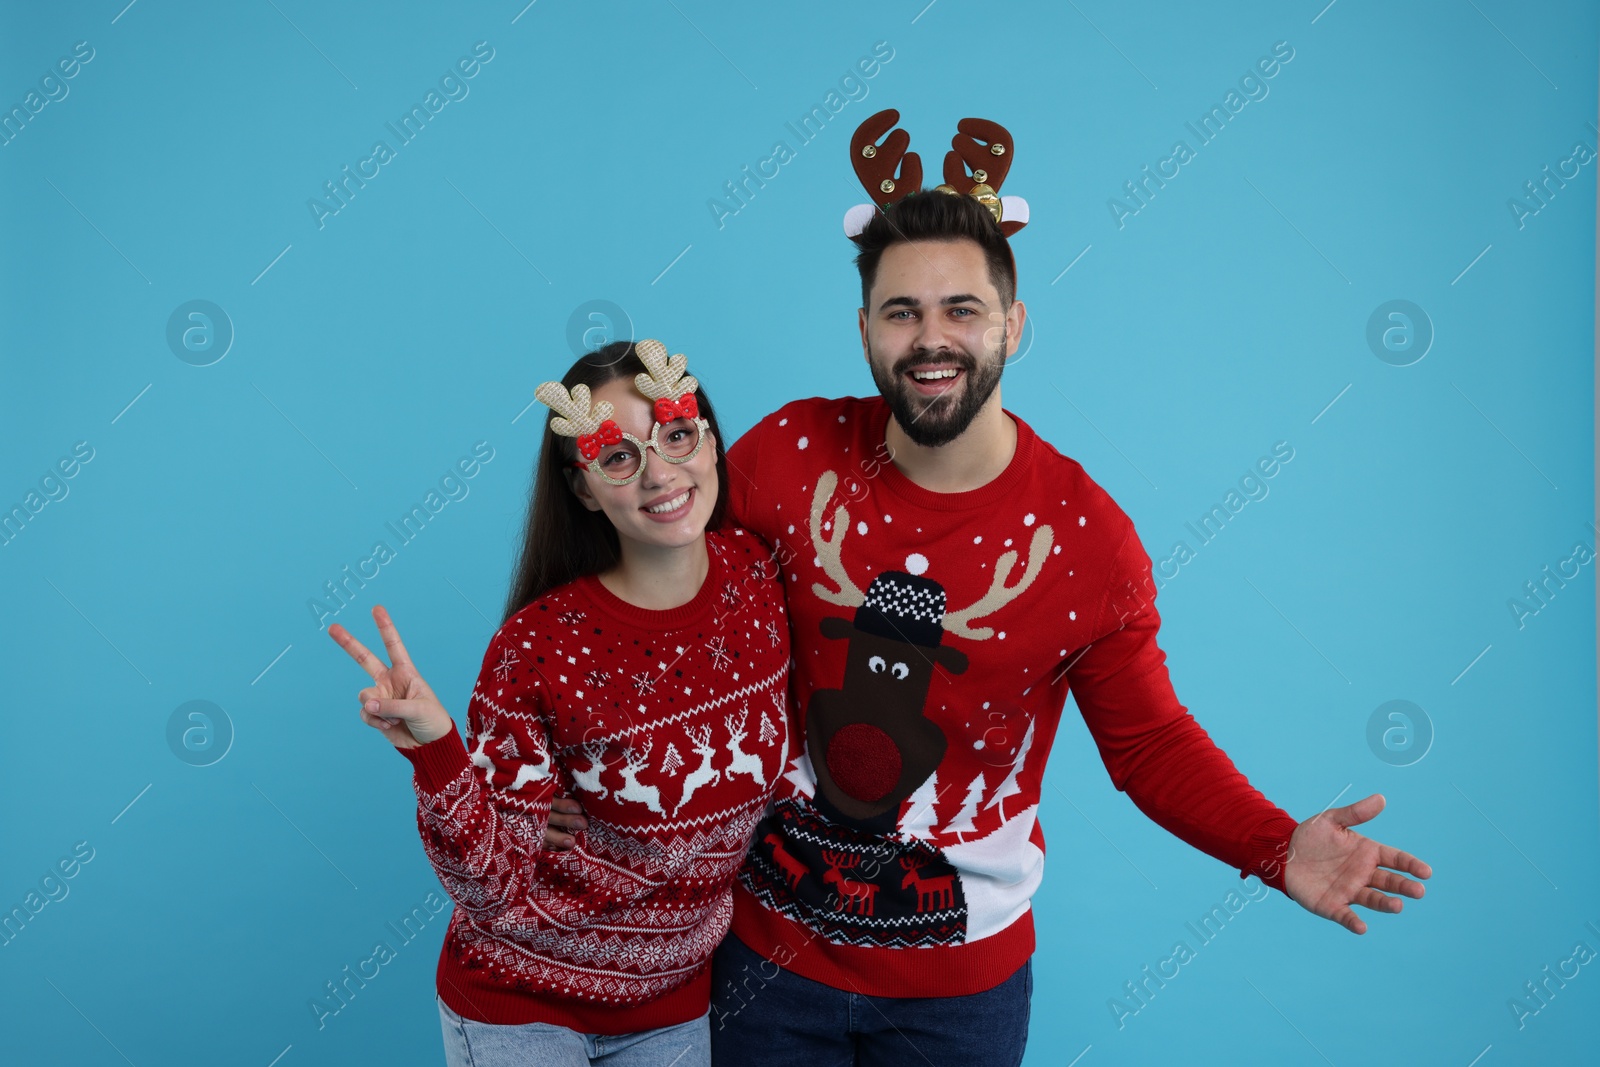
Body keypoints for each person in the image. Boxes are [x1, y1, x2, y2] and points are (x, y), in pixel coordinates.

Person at [547, 111, 1433, 1065]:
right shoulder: (783, 458)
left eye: (961, 309)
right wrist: (569, 768)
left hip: (958, 997)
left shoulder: (1089, 538)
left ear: (1014, 321)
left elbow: (1148, 744)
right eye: (902, 311)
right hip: (761, 962)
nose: (932, 339)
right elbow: (668, 617)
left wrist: (1273, 845)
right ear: (864, 331)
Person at [328, 339, 790, 1067]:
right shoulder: (536, 648)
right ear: (582, 488)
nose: (659, 473)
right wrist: (438, 749)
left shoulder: (760, 578)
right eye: (617, 457)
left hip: (671, 1003)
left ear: (707, 439)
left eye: (674, 434)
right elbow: (491, 886)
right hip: (523, 1002)